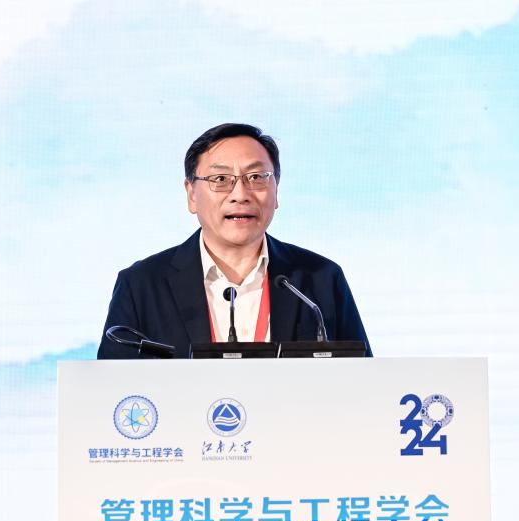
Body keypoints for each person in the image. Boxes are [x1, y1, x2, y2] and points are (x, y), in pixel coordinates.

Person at [97, 123, 371, 359]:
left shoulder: (320, 280)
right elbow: (111, 393)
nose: (240, 194)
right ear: (192, 195)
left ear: (276, 191)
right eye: (220, 179)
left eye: (256, 177)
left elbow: (364, 384)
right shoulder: (141, 285)